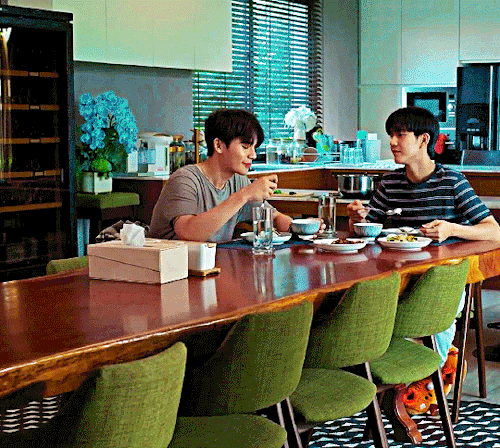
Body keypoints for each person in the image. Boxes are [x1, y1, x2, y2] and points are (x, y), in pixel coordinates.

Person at [347, 106, 500, 368]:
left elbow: (494, 231)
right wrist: (356, 219)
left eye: (400, 135)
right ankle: (418, 374)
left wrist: (452, 229)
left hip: (444, 277)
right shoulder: (390, 183)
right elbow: (366, 229)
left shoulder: (452, 181)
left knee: (430, 313)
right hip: (399, 276)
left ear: (423, 140)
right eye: (391, 135)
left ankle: (434, 373)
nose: (392, 142)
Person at [148, 108, 292, 242]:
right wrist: (245, 195)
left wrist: (298, 228)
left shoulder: (238, 181)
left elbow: (273, 217)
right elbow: (188, 233)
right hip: (171, 260)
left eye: (254, 148)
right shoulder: (184, 180)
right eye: (245, 147)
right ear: (218, 145)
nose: (253, 155)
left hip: (211, 260)